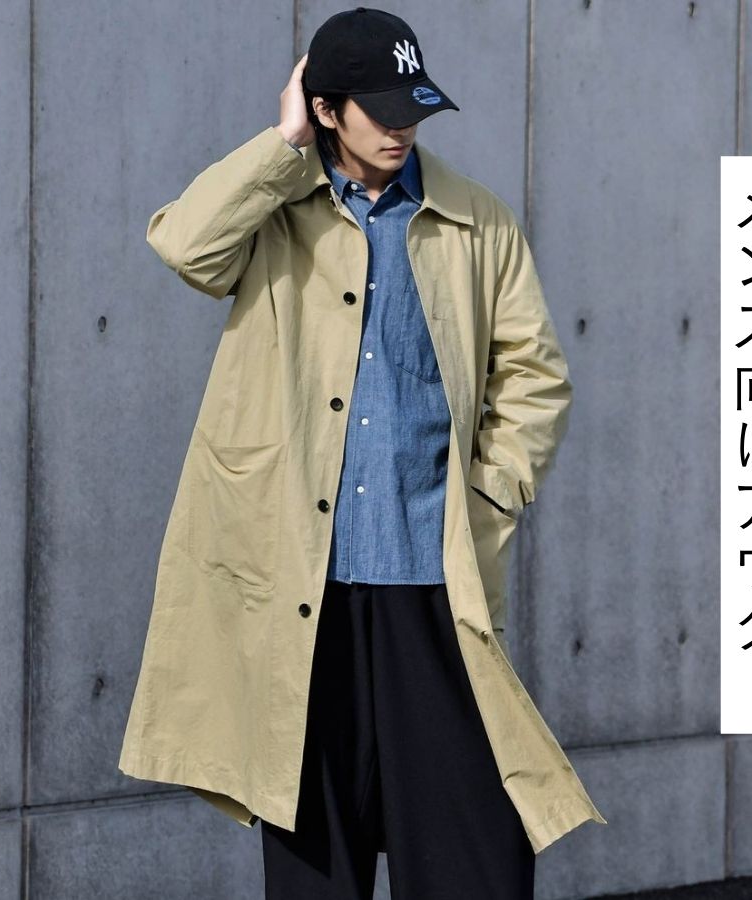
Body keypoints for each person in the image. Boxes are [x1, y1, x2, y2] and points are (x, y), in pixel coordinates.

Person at [117, 7, 606, 899]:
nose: (402, 127)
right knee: (316, 858)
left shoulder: (477, 222)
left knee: (476, 854)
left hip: (432, 581)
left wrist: (491, 497)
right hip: (301, 590)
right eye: (379, 110)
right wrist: (283, 144)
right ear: (327, 110)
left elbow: (535, 378)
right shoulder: (275, 214)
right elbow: (185, 246)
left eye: (414, 106)